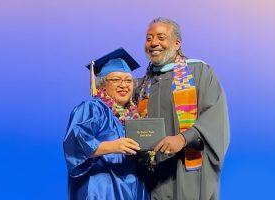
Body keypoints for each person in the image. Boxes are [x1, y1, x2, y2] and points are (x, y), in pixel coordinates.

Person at [136, 17, 230, 200]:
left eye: (161, 37)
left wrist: (183, 138)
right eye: (149, 38)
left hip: (188, 172)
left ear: (177, 43)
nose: (154, 43)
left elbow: (215, 118)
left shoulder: (199, 72)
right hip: (154, 177)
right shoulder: (143, 85)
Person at [63, 48, 150, 200]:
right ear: (102, 84)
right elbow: (75, 142)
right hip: (102, 190)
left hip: (134, 189)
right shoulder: (92, 108)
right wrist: (113, 146)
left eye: (128, 80)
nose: (124, 85)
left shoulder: (134, 116)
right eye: (116, 79)